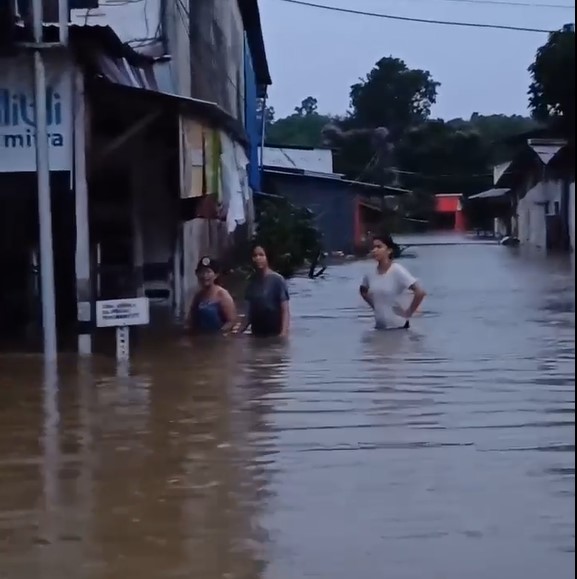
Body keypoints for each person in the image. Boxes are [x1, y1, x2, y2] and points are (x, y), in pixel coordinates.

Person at [360, 232, 426, 330]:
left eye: (379, 247)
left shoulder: (397, 270)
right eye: (373, 248)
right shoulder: (370, 273)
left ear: (389, 250)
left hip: (398, 327)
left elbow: (420, 292)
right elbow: (363, 290)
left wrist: (409, 312)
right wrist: (376, 306)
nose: (375, 250)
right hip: (380, 328)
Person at [237, 245, 290, 338]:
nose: (258, 258)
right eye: (255, 255)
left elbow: (285, 310)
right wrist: (237, 332)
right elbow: (248, 314)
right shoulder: (251, 282)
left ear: (267, 258)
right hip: (257, 333)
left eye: (261, 255)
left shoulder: (277, 280)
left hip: (274, 332)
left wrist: (283, 334)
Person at [186, 256, 237, 335]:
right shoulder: (198, 297)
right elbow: (191, 321)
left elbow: (231, 321)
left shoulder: (222, 295)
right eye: (201, 272)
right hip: (201, 340)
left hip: (217, 341)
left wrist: (218, 335)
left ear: (216, 275)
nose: (205, 275)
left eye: (208, 272)